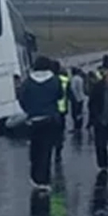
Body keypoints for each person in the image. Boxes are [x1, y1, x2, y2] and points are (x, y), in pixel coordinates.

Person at [18, 56, 63, 191]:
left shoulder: (28, 82)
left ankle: (35, 176)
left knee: (35, 149)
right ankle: (44, 179)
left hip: (34, 120)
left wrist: (30, 110)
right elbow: (59, 95)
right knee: (46, 150)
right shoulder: (54, 80)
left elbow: (22, 98)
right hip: (50, 119)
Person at [55, 63, 70, 158]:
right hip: (62, 110)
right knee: (60, 131)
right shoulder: (65, 80)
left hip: (52, 110)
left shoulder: (51, 80)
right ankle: (58, 150)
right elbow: (67, 94)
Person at [69, 67, 87, 132]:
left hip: (76, 98)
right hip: (81, 97)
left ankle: (76, 126)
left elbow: (73, 88)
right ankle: (79, 126)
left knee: (74, 113)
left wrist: (76, 97)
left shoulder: (74, 79)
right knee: (79, 113)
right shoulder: (80, 78)